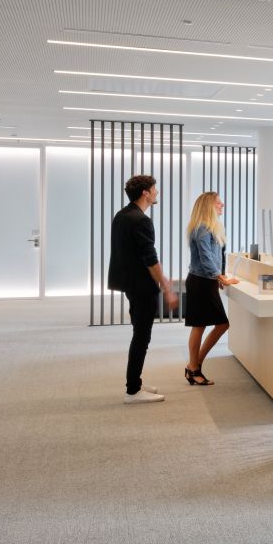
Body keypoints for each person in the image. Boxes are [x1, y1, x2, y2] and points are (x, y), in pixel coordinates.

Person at [107, 173, 176, 404]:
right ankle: (133, 391)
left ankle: (134, 382)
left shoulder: (122, 215)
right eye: (154, 189)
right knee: (141, 337)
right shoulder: (140, 220)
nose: (157, 192)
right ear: (145, 193)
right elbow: (150, 258)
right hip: (142, 286)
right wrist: (166, 285)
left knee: (139, 334)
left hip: (130, 284)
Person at [182, 190, 239, 386]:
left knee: (218, 324)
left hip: (208, 281)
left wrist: (220, 275)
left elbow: (220, 255)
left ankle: (194, 366)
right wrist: (219, 276)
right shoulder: (201, 228)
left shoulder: (215, 228)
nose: (222, 205)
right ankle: (194, 367)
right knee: (201, 325)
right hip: (200, 282)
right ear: (208, 206)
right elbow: (206, 257)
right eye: (218, 203)